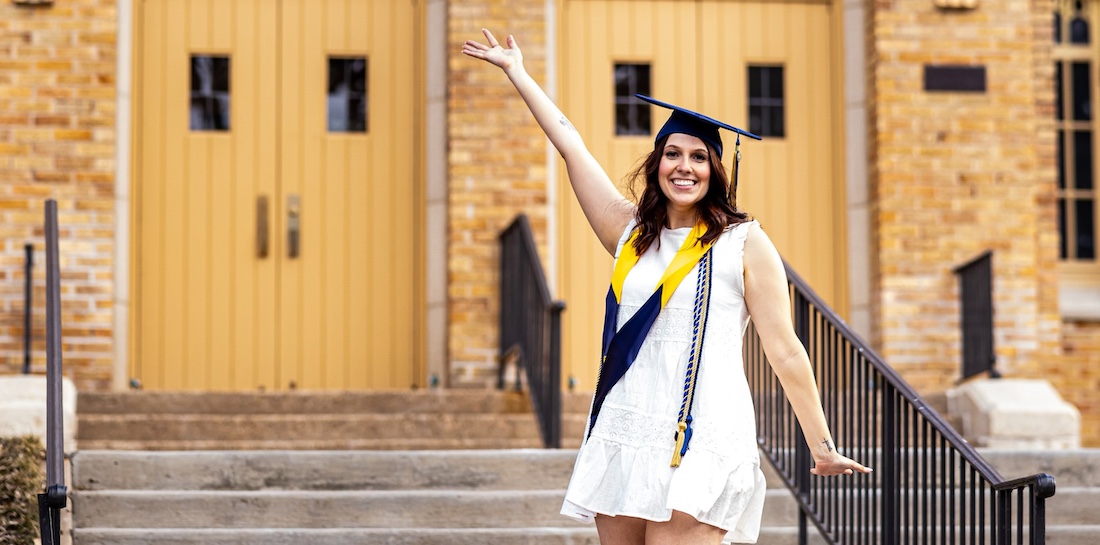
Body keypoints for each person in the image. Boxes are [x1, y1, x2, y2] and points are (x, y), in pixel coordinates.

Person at [462, 29, 871, 545]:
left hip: (701, 435)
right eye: (672, 153)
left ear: (716, 171)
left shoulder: (744, 243)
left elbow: (785, 350)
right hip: (627, 426)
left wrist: (822, 445)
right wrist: (517, 71)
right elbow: (571, 144)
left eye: (699, 157)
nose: (684, 166)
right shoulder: (630, 233)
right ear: (656, 164)